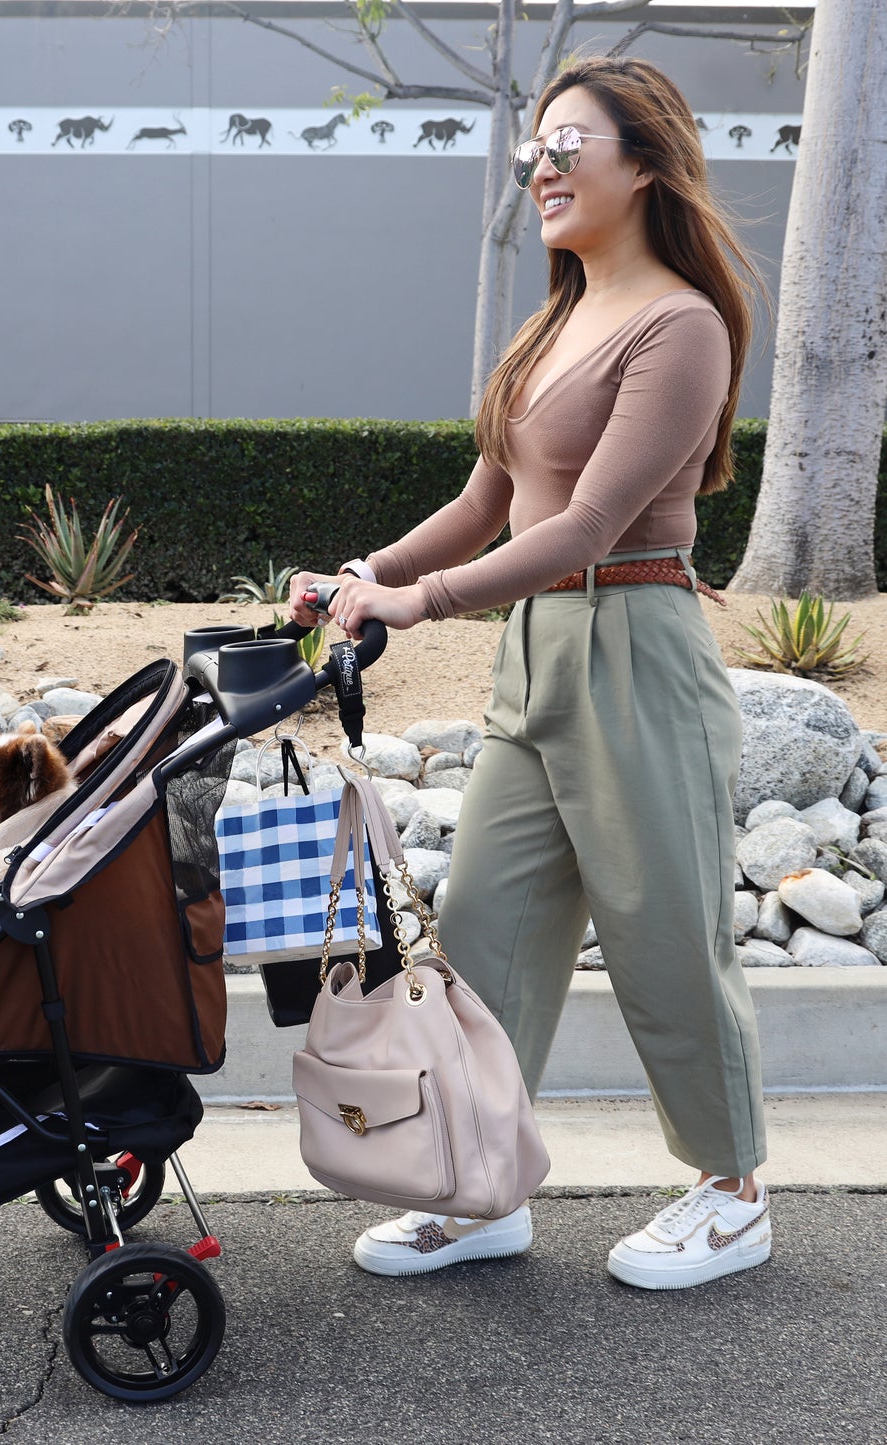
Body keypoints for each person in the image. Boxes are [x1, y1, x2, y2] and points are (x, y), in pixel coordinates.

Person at [288, 55, 771, 1292]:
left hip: (636, 648)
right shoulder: (554, 321)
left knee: (663, 936)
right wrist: (359, 571)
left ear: (644, 165)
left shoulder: (682, 323)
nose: (540, 169)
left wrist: (419, 603)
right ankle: (480, 1183)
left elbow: (586, 526)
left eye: (567, 147)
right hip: (536, 658)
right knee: (485, 933)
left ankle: (732, 1190)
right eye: (532, 152)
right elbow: (487, 501)